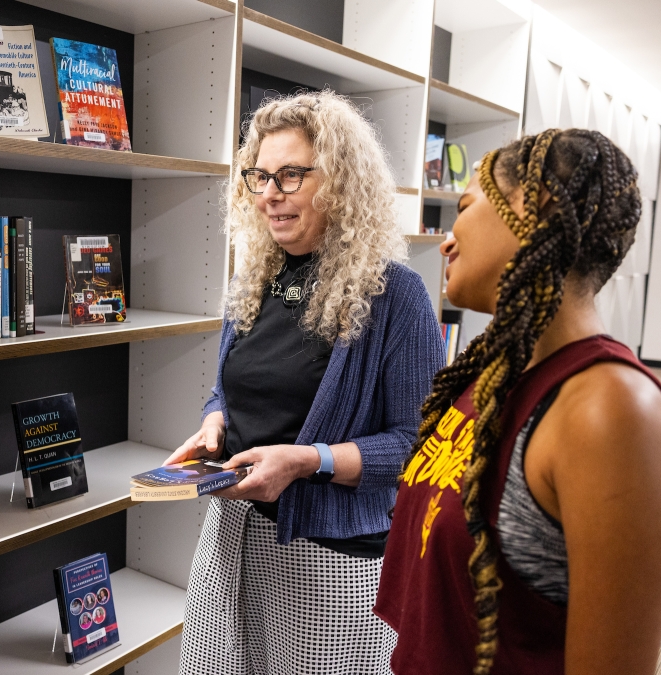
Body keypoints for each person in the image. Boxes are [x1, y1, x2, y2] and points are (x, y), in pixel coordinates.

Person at [373, 129, 661, 674]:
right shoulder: (491, 375)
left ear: (532, 207)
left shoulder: (609, 407)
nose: (445, 241)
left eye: (464, 207)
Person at [169, 90, 445, 674]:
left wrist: (307, 460)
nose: (270, 194)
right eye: (261, 176)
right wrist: (214, 421)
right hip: (231, 539)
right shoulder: (254, 278)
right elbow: (233, 386)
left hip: (330, 565)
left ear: (341, 181)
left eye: (292, 175)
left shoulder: (396, 295)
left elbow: (421, 446)